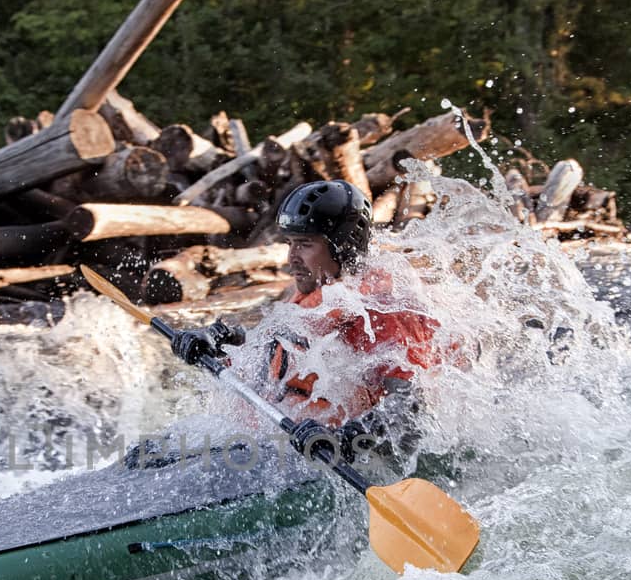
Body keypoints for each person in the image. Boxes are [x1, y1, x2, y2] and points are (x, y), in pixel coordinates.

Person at [168, 179, 444, 466]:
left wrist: (345, 439)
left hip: (336, 458)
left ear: (343, 247)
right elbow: (276, 346)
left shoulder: (382, 310)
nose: (291, 259)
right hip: (272, 444)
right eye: (290, 243)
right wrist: (221, 341)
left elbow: (411, 411)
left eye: (304, 244)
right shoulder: (315, 293)